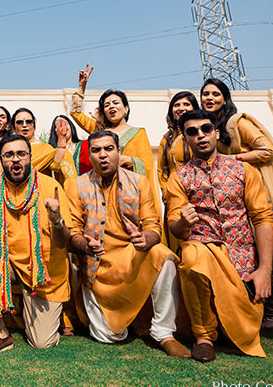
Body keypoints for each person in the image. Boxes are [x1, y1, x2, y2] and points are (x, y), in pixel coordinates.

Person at [65, 131, 189, 357]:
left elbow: (153, 226)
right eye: (96, 150)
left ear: (118, 151)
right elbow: (72, 232)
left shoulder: (139, 182)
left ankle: (164, 332)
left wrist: (147, 239)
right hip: (97, 266)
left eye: (108, 149)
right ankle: (126, 320)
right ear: (90, 156)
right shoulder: (76, 186)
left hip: (132, 256)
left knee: (164, 257)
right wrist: (85, 245)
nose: (103, 155)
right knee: (109, 337)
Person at [166, 110, 273, 362]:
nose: (200, 135)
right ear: (186, 139)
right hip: (204, 250)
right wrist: (183, 223)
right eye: (192, 132)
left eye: (206, 129)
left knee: (242, 332)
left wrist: (264, 270)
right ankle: (203, 336)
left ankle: (224, 327)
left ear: (216, 133)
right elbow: (175, 227)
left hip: (242, 259)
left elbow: (262, 218)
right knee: (192, 255)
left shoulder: (243, 170)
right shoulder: (178, 178)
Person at [0, 134, 72, 357]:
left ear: (30, 157)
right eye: (9, 155)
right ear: (1, 160)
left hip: (44, 273)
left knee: (42, 343)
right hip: (9, 264)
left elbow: (62, 243)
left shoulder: (50, 186)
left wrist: (56, 220)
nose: (15, 159)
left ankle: (39, 316)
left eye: (21, 154)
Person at [200, 77, 273, 329]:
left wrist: (233, 160)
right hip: (233, 196)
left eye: (215, 94)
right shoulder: (210, 126)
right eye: (205, 94)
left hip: (254, 191)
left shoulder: (237, 122)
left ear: (225, 98)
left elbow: (267, 150)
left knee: (267, 248)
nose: (209, 98)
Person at [70, 64, 158, 199]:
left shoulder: (138, 133)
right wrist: (82, 87)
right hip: (101, 192)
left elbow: (148, 166)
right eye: (107, 105)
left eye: (115, 103)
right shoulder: (100, 131)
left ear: (126, 108)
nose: (111, 106)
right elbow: (76, 113)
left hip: (128, 193)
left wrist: (130, 161)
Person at [157, 91, 198, 252]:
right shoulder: (166, 139)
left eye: (186, 104)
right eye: (176, 105)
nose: (181, 108)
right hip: (173, 198)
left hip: (196, 195)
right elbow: (161, 170)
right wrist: (166, 192)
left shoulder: (200, 133)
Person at [10, 107, 77, 184]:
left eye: (29, 122)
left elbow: (56, 166)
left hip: (40, 189)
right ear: (13, 127)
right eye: (19, 122)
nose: (24, 125)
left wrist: (61, 139)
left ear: (34, 125)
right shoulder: (8, 149)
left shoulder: (45, 148)